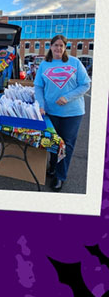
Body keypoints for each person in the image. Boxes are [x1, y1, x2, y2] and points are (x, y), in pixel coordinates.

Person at [34, 34, 90, 192]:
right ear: (50, 47)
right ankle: (53, 167)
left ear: (65, 48)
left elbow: (85, 84)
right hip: (51, 111)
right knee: (52, 141)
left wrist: (67, 97)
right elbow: (38, 86)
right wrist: (41, 105)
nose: (58, 48)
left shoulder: (75, 63)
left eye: (61, 46)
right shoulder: (45, 64)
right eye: (55, 45)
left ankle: (60, 176)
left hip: (72, 113)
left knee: (66, 144)